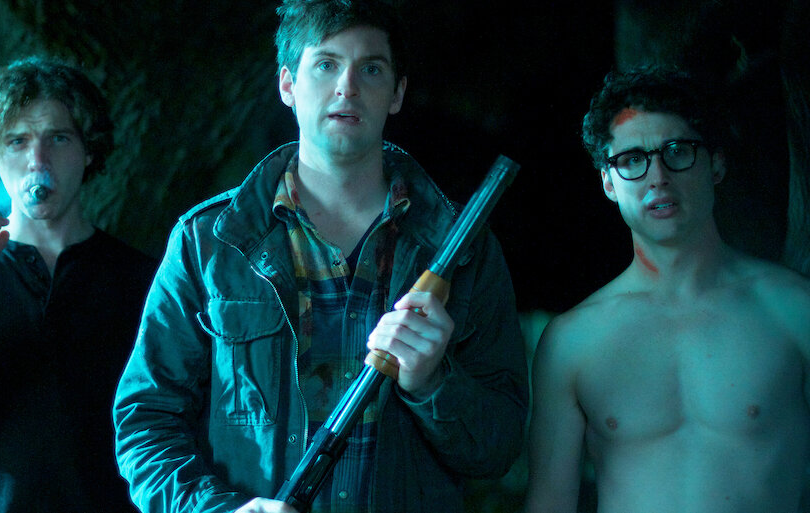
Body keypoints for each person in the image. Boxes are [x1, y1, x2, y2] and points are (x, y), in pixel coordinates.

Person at [113, 1, 529, 512]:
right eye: (326, 64)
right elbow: (146, 423)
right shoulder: (208, 241)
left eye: (371, 69)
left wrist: (431, 383)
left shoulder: (463, 250)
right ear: (287, 84)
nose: (347, 87)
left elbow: (498, 448)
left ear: (397, 93)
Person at [524, 67, 810, 513]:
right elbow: (549, 502)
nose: (658, 176)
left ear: (716, 164)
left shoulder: (794, 309)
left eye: (678, 151)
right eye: (632, 159)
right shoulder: (571, 341)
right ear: (608, 183)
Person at [0, 56, 157, 512]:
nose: (38, 161)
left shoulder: (143, 280)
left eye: (58, 138)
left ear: (89, 151)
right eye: (17, 141)